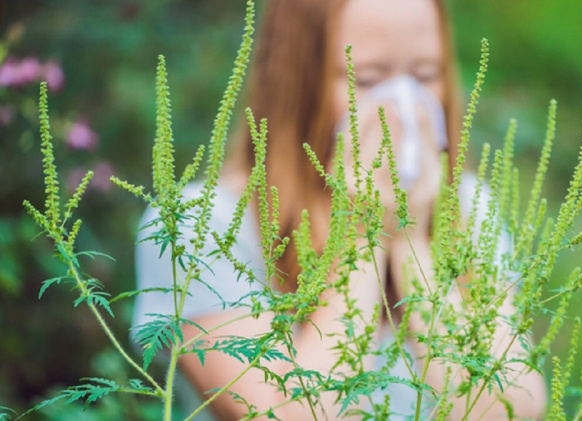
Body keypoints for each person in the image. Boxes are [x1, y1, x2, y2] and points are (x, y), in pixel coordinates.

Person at [133, 0, 546, 419]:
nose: (401, 104)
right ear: (296, 82)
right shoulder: (200, 226)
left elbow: (510, 410)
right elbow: (292, 414)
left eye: (425, 75)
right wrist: (364, 234)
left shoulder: (470, 208)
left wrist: (409, 238)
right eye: (367, 79)